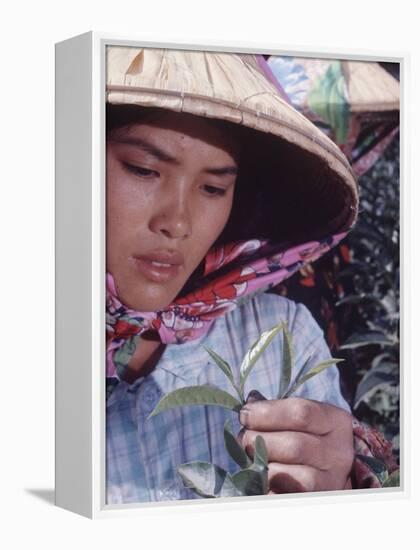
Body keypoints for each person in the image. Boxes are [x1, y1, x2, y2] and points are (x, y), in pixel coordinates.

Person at [105, 46, 397, 504]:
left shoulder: (280, 335)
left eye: (214, 187)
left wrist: (341, 484)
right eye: (144, 170)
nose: (177, 222)